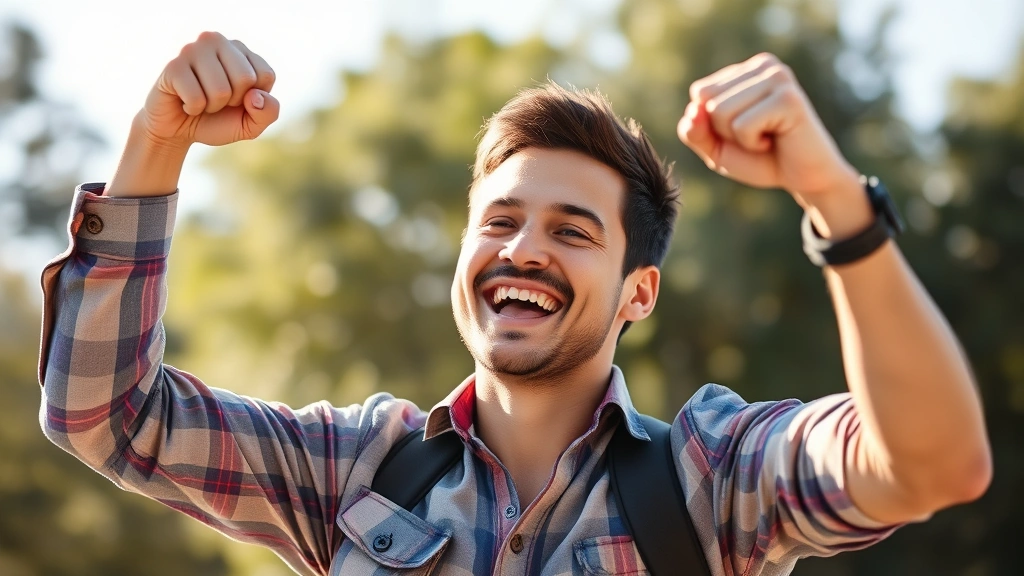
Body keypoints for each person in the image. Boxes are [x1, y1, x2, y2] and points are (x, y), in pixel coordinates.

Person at [39, 31, 991, 575]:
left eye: (574, 230)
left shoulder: (716, 480)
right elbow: (105, 417)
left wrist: (837, 205)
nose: (524, 249)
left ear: (639, 292)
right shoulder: (350, 474)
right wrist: (154, 147)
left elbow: (930, 463)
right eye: (499, 221)